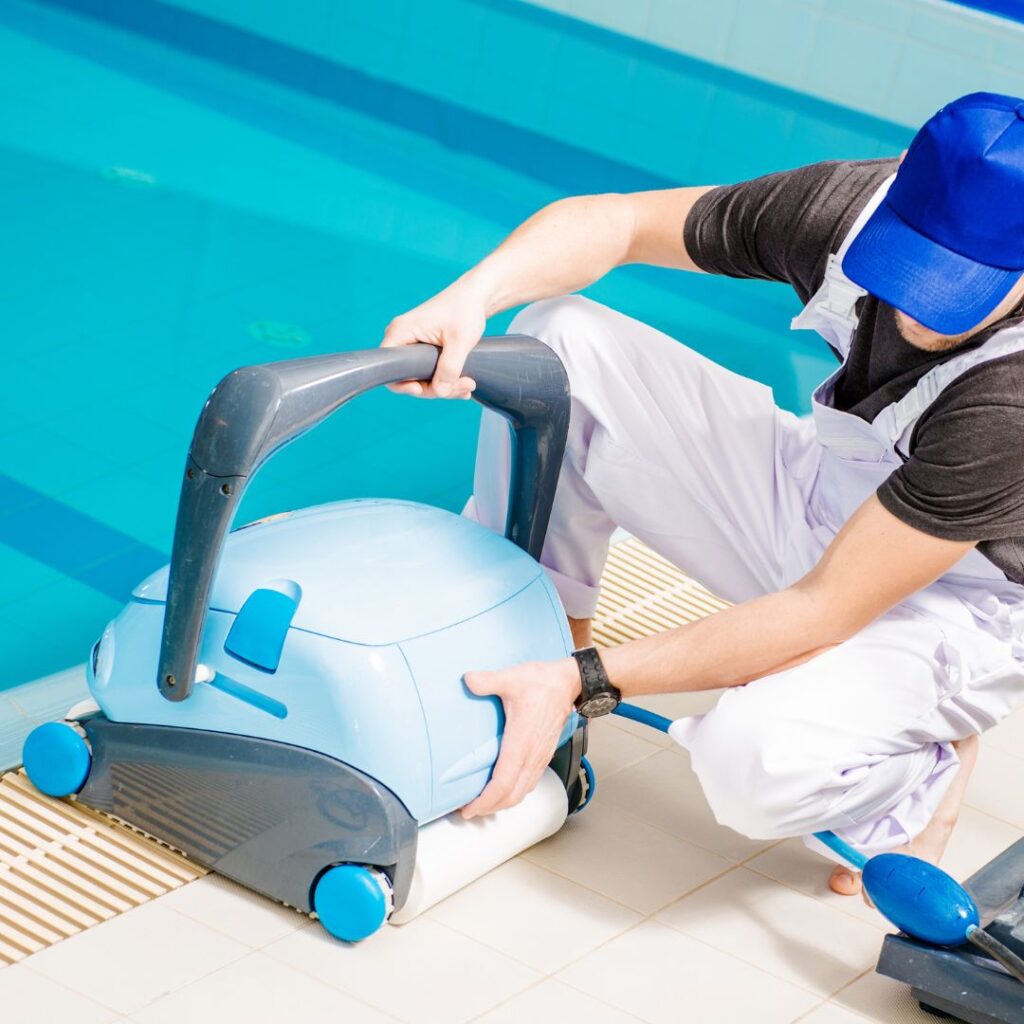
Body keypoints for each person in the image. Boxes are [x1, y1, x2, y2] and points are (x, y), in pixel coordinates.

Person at [380, 92, 1024, 896]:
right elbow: (615, 222)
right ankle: (536, 656)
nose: (917, 309)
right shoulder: (846, 208)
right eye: (906, 269)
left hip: (946, 602)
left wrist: (589, 678)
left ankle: (915, 776)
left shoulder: (1012, 398)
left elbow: (824, 607)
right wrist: (473, 295)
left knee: (751, 762)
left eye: (956, 289)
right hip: (821, 492)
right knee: (559, 341)